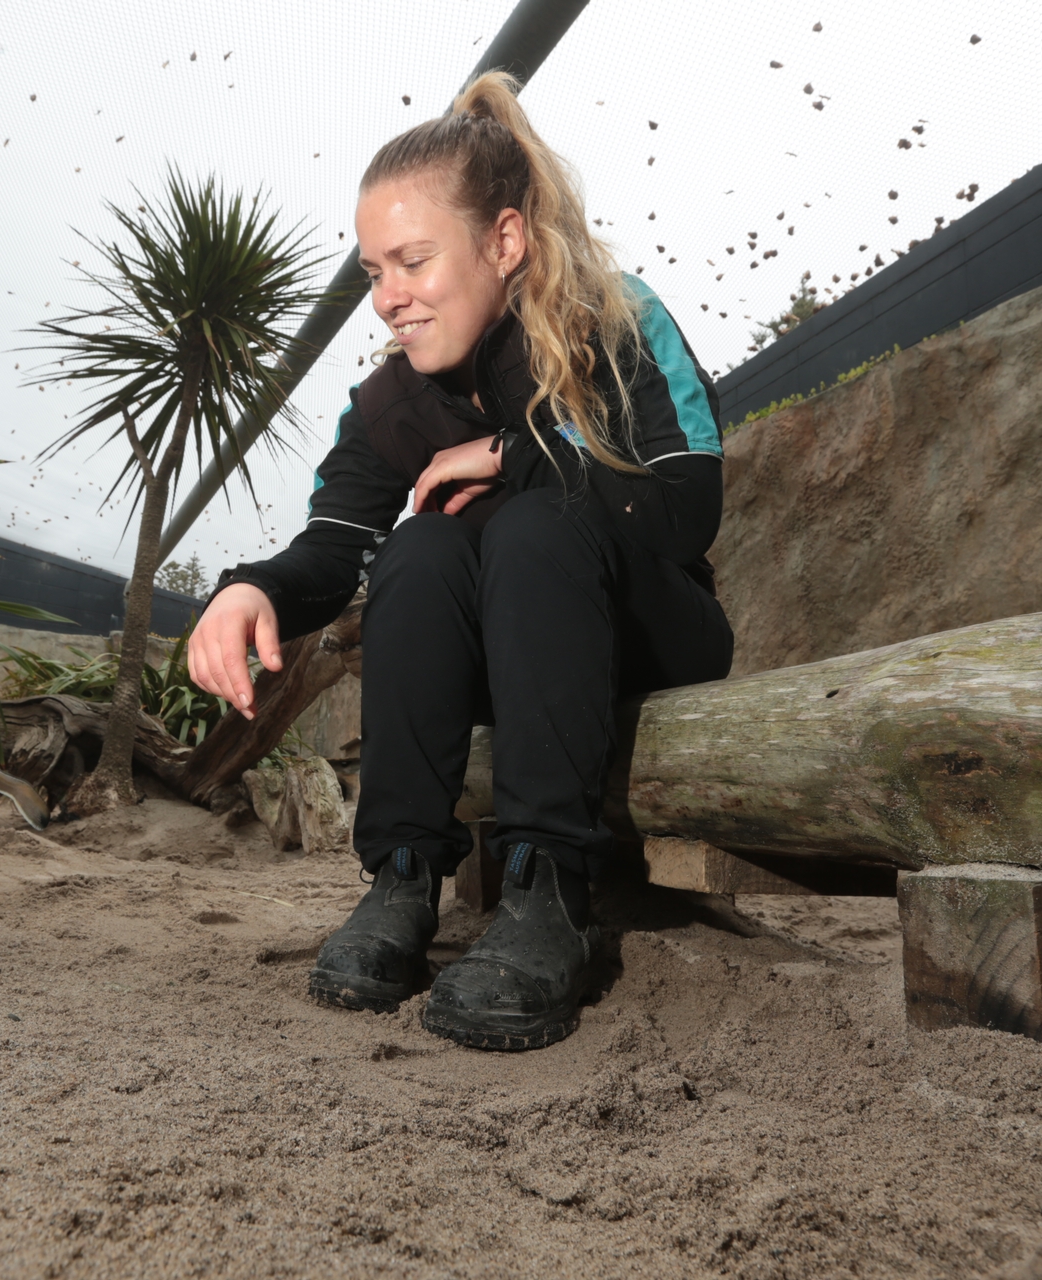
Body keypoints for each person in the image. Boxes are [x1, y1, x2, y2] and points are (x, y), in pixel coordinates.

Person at [188, 72, 731, 1052]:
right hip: (520, 659)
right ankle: (401, 879)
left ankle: (547, 890)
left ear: (505, 241)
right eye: (372, 271)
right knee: (418, 548)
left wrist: (513, 453)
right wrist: (251, 587)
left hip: (657, 631)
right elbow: (331, 549)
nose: (387, 297)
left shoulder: (615, 316)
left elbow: (687, 510)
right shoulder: (392, 401)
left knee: (529, 526)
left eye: (412, 261)